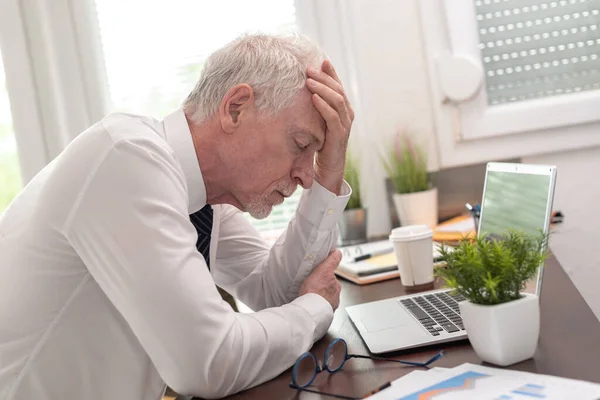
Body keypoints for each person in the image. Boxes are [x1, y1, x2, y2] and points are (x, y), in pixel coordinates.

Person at [0, 34, 354, 399]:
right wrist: (314, 308)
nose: (305, 175)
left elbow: (279, 294)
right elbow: (207, 363)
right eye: (299, 145)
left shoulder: (202, 197)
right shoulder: (125, 158)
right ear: (235, 108)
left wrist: (330, 174)